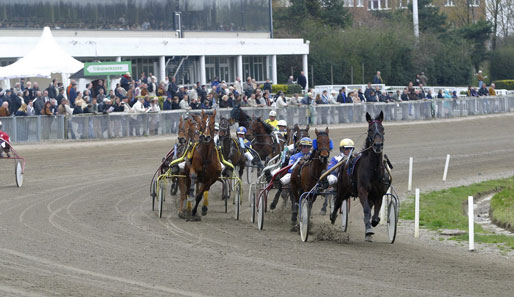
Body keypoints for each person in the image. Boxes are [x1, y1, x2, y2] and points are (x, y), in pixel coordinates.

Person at [319, 138, 355, 215]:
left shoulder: (355, 159)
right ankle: (325, 188)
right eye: (347, 149)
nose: (349, 151)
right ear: (342, 149)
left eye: (351, 149)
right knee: (331, 179)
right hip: (337, 178)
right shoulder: (336, 158)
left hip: (350, 180)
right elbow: (329, 168)